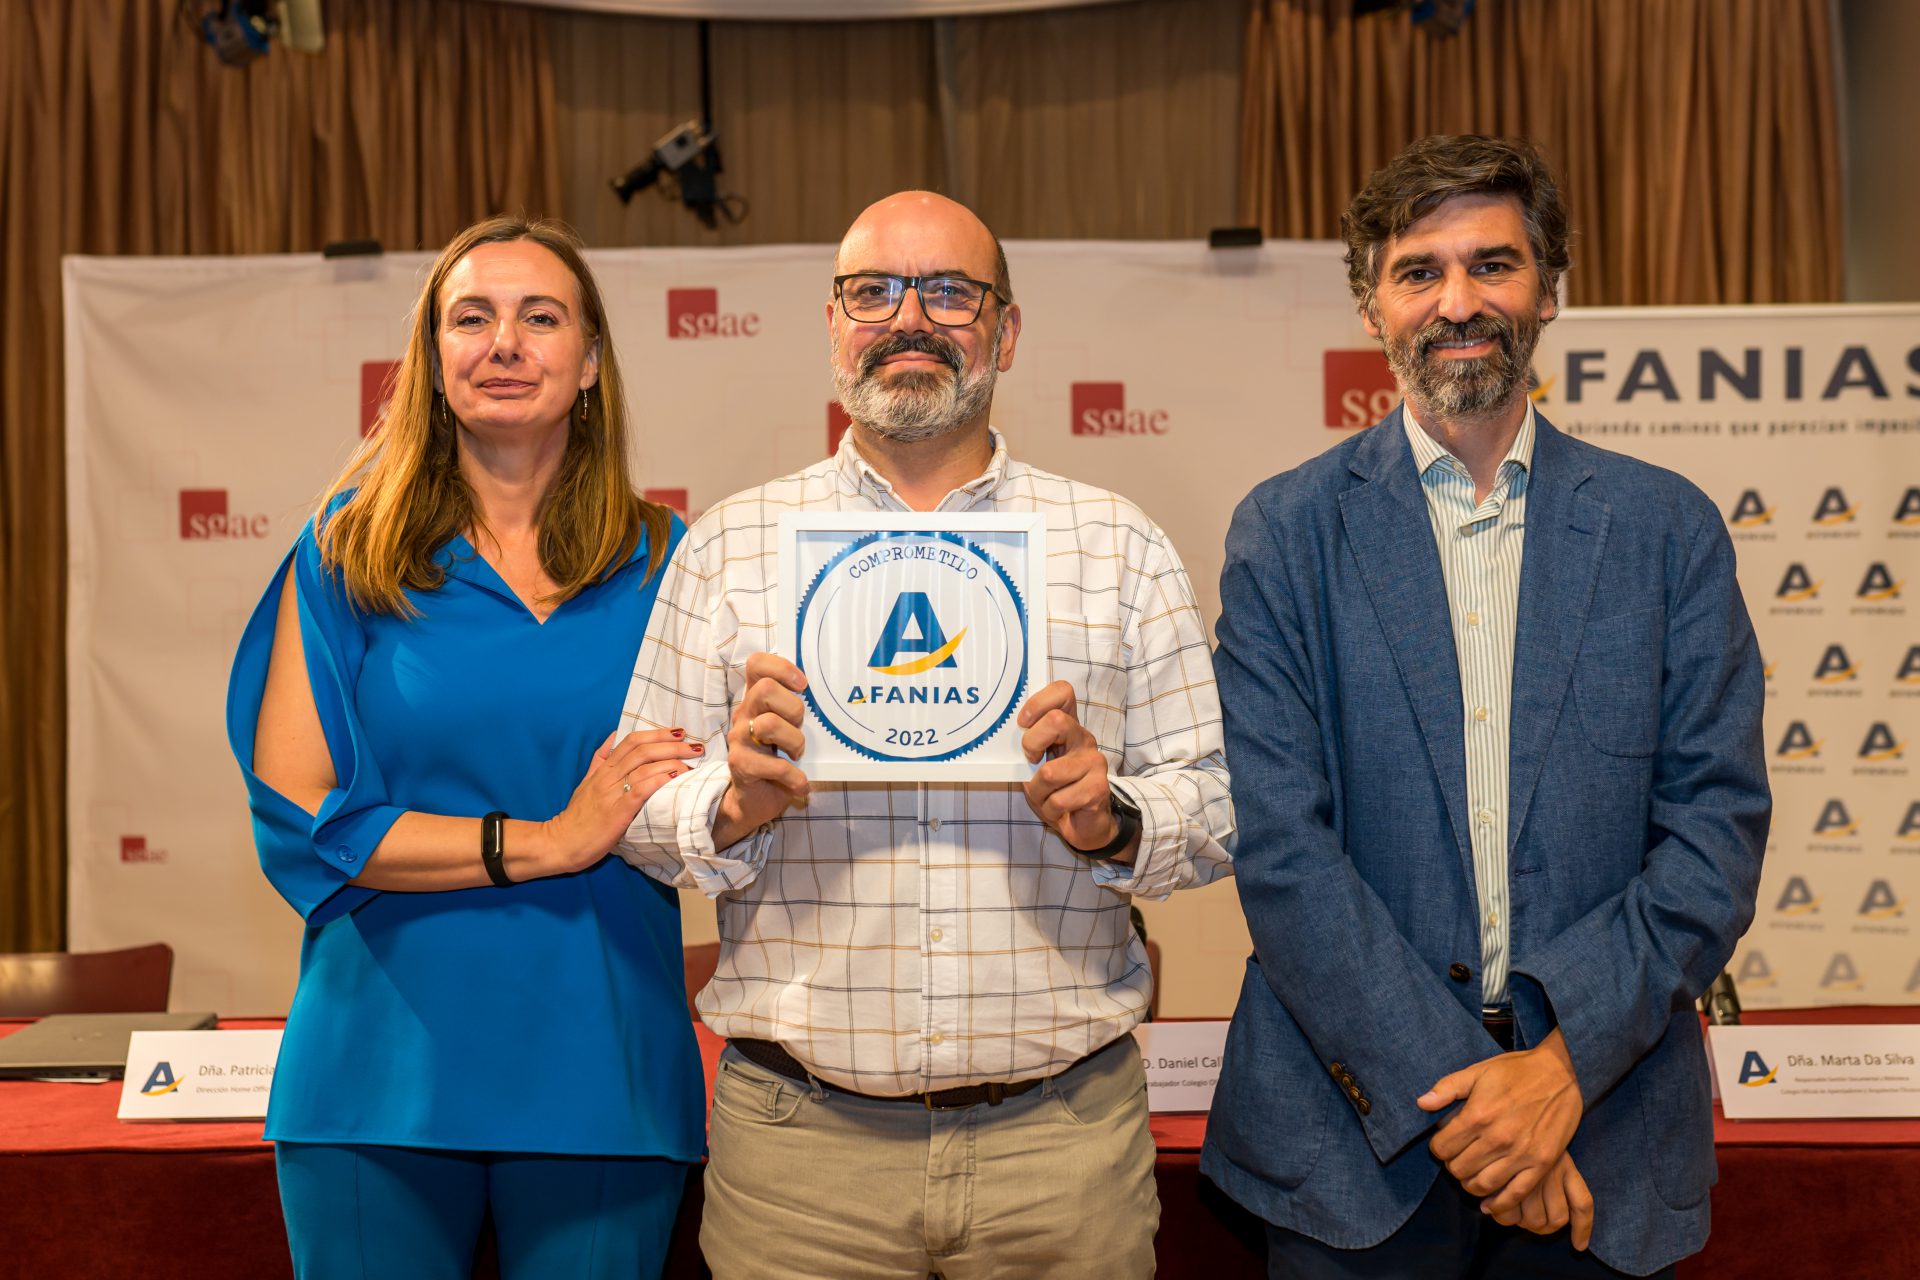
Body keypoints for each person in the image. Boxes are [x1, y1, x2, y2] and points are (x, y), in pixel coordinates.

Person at [615, 190, 1235, 1279]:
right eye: (874, 291)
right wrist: (729, 800)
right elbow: (641, 806)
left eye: (950, 291)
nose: (910, 316)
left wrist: (1113, 817)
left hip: (1063, 1145)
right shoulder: (730, 544)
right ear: (834, 324)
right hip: (802, 1159)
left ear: (1005, 330)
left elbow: (1218, 801)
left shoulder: (1116, 543)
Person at [1201, 135, 1770, 1279]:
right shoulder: (1286, 534)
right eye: (1419, 271)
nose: (1457, 302)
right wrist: (1476, 1109)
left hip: (1601, 1125)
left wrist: (1557, 1071)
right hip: (1351, 1150)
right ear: (1371, 304)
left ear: (1551, 291)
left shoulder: (1669, 531)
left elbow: (1715, 829)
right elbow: (1281, 850)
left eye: (1493, 265)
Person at [227, 216, 705, 1279]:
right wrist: (544, 840)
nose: (504, 343)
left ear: (589, 365)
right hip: (372, 1075)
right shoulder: (345, 551)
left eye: (542, 318)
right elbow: (309, 815)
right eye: (471, 318)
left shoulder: (676, 559)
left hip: (606, 1072)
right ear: (432, 362)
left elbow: (714, 806)